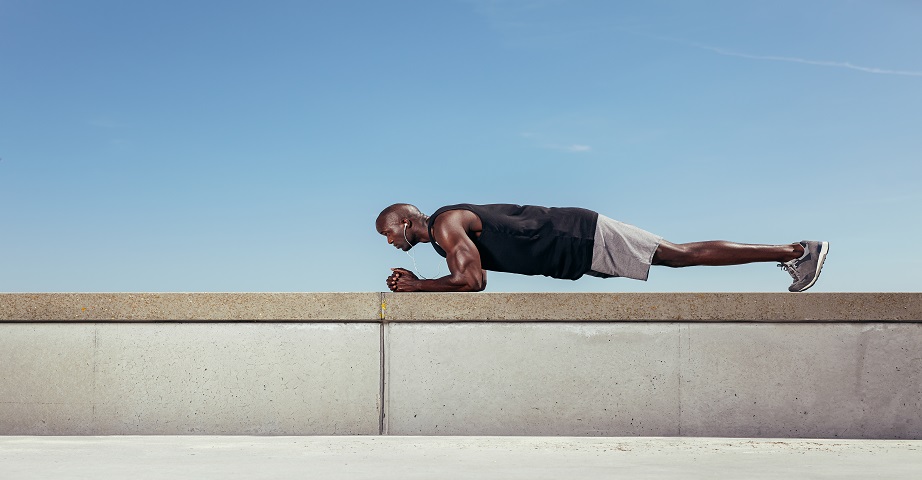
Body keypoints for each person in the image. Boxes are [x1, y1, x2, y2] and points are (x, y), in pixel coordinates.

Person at [376, 203, 829, 293]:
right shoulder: (444, 235)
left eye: (388, 234)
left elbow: (471, 281)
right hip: (572, 249)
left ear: (405, 222)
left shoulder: (444, 225)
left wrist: (419, 286)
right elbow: (474, 275)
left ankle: (796, 251)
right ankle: (793, 252)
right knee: (675, 256)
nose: (391, 242)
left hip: (577, 235)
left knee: (678, 254)